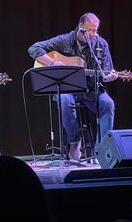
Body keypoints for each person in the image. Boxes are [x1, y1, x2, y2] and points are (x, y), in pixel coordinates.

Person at [28, 12, 117, 159]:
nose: (93, 34)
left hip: (90, 89)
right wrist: (52, 63)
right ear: (80, 26)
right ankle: (74, 141)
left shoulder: (101, 44)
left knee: (108, 104)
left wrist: (109, 77)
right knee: (64, 100)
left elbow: (105, 72)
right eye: (90, 30)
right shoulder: (65, 40)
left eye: (95, 30)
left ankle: (101, 149)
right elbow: (33, 49)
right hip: (67, 89)